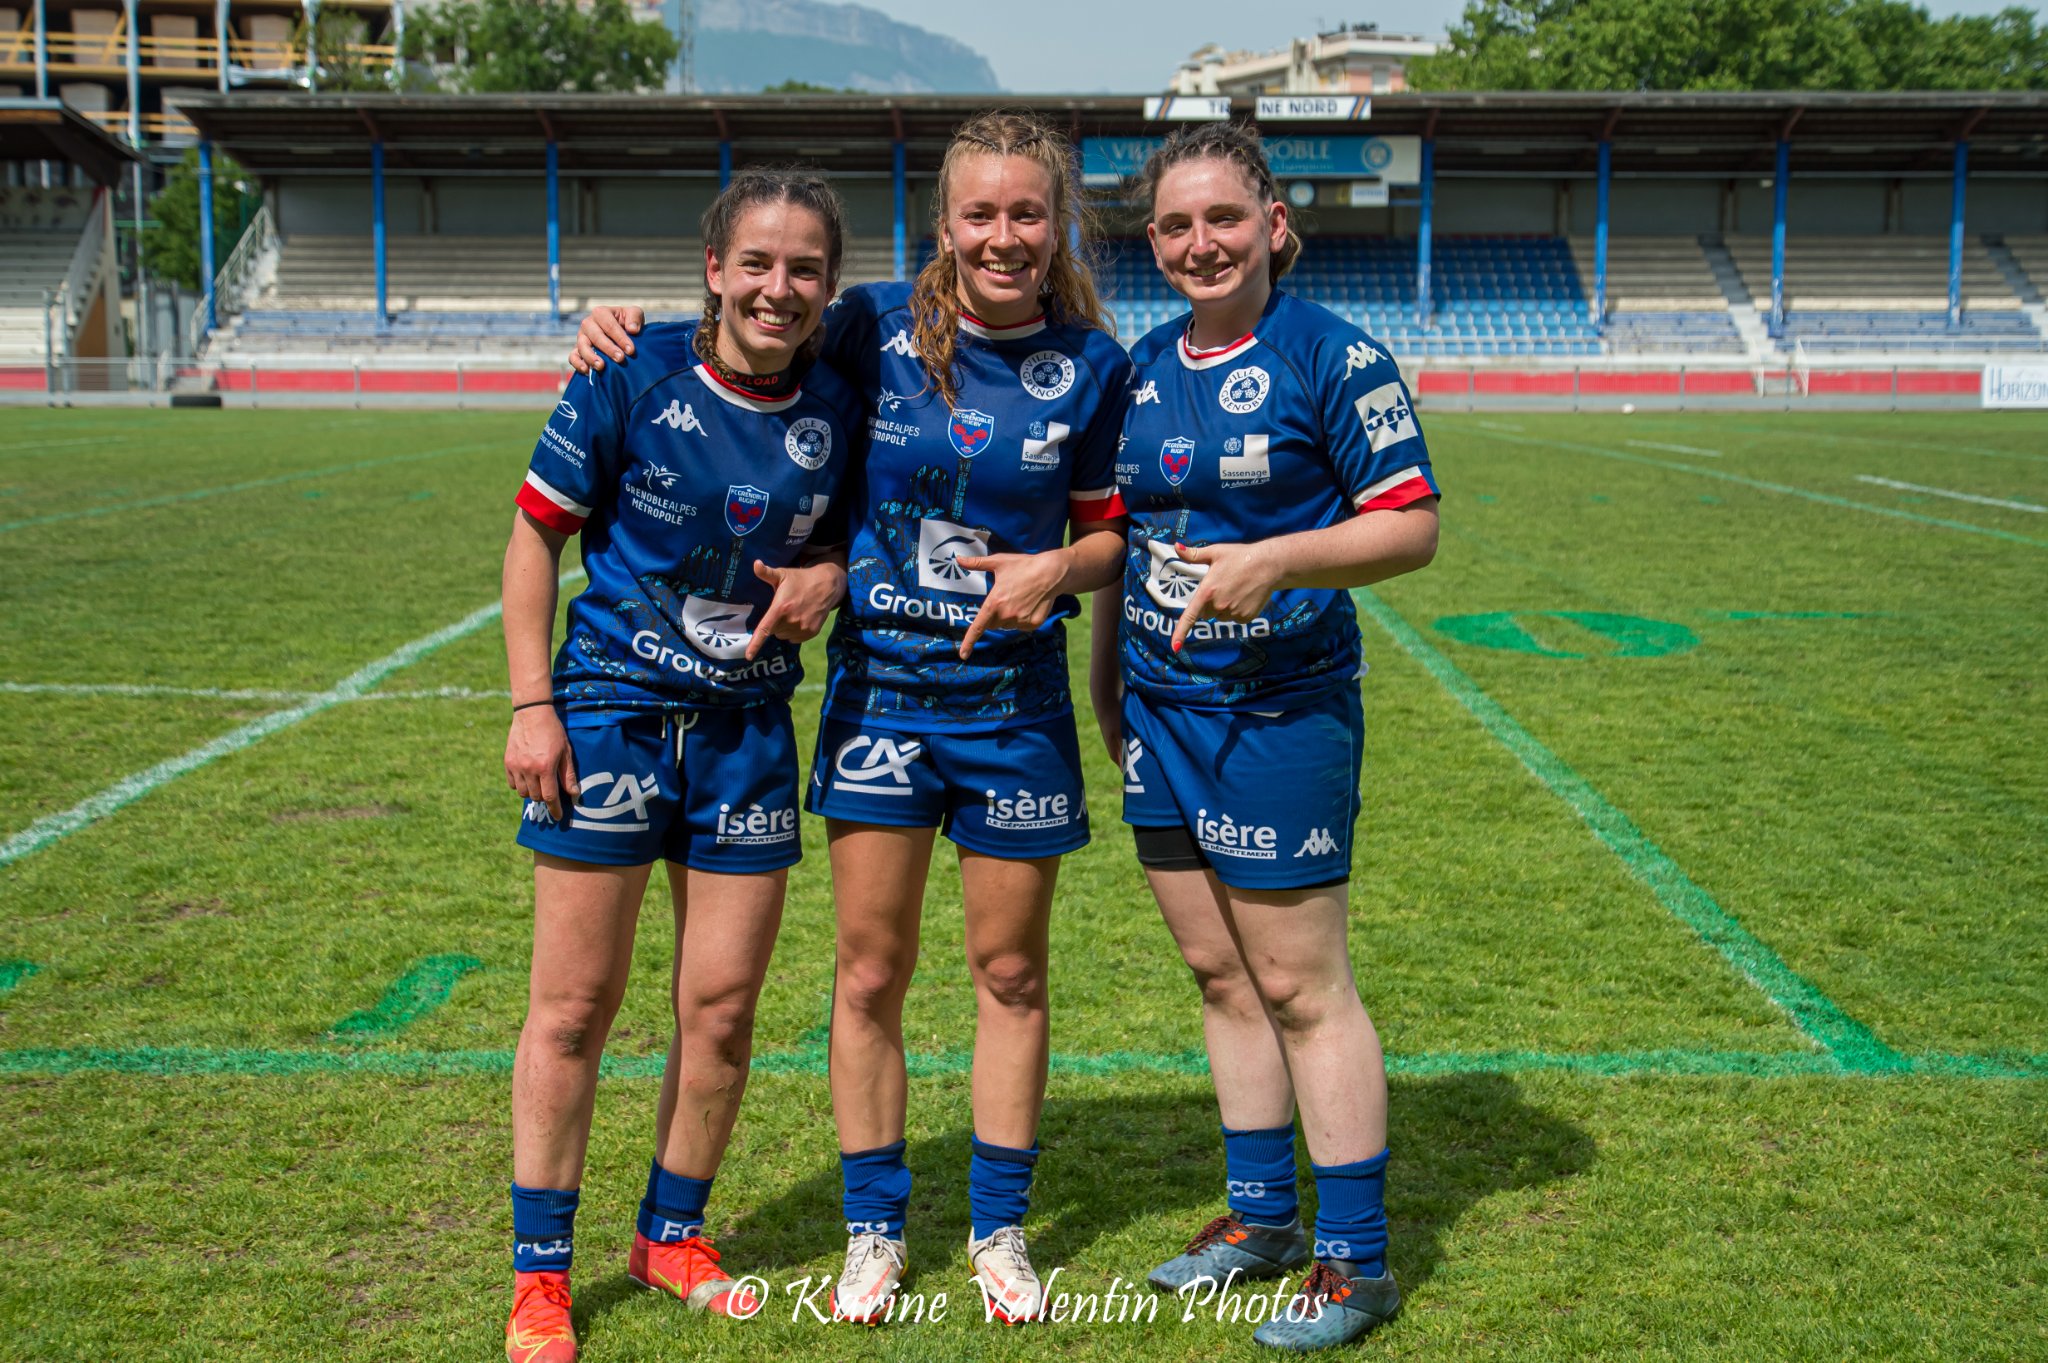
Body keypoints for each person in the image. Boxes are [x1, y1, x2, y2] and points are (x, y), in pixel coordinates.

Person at [569, 112, 1131, 1325]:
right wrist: (616, 329)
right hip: (883, 699)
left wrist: (1058, 574)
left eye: (1025, 213)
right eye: (978, 213)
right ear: (944, 223)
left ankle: (998, 1231)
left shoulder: (1092, 361)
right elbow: (736, 341)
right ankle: (873, 1230)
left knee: (1011, 971)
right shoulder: (870, 324)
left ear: (1056, 225)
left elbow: (1109, 531)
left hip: (1013, 706)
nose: (1002, 235)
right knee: (869, 971)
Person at [1087, 122, 1439, 1352]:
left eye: (1223, 219)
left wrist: (1281, 557)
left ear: (1273, 225)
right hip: (1158, 715)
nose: (1201, 243)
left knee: (1299, 982)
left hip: (1278, 713)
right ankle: (1258, 1221)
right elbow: (1124, 545)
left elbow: (1409, 527)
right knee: (1220, 976)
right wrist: (1106, 690)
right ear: (1154, 242)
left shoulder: (1334, 358)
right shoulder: (1135, 367)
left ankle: (1354, 1263)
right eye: (1176, 226)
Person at [500, 169, 859, 1363]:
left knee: (718, 1010)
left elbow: (874, 538)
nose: (778, 285)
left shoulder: (845, 400)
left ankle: (670, 1235)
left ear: (827, 284)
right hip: (606, 715)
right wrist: (531, 706)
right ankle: (542, 1277)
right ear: (713, 269)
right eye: (756, 262)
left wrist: (838, 577)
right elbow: (534, 538)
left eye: (803, 267)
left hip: (750, 736)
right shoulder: (627, 370)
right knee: (570, 1011)